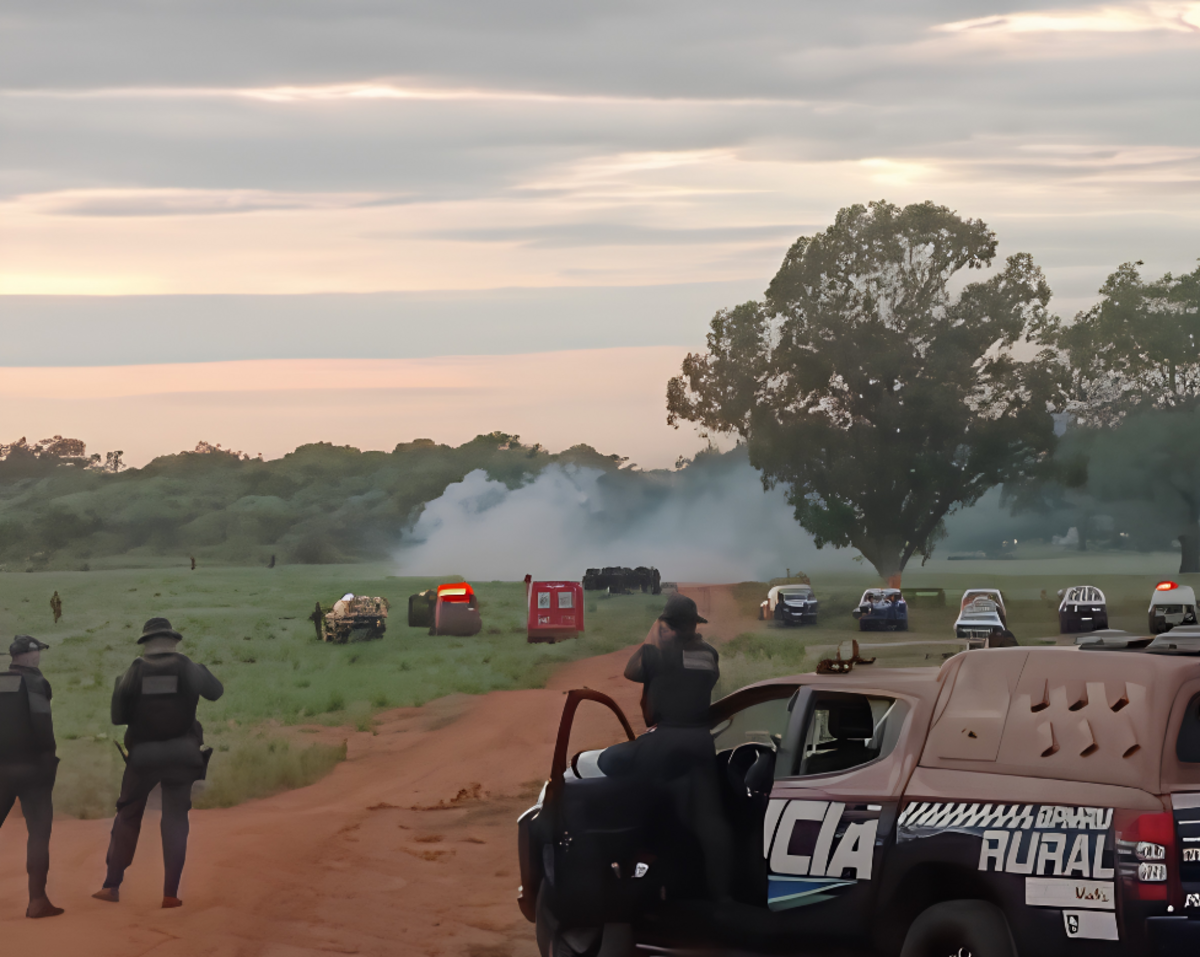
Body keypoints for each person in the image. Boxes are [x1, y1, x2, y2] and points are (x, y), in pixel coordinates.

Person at [598, 594, 733, 902]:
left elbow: (630, 671)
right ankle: (723, 898)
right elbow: (703, 679)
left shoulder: (657, 654)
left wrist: (655, 634)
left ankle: (629, 883)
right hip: (700, 740)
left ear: (667, 625)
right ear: (694, 624)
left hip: (665, 738)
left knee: (611, 763)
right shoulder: (709, 655)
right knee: (711, 822)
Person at [93, 618, 223, 908]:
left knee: (127, 816)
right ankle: (170, 894)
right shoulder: (188, 667)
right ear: (174, 641)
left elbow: (118, 717)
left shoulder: (133, 672)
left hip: (143, 758)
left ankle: (111, 886)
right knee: (175, 820)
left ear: (145, 644)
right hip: (182, 754)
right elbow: (216, 692)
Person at [0, 636, 64, 918]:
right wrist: (49, 761)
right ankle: (37, 901)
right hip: (32, 769)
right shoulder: (36, 682)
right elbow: (42, 724)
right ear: (30, 655)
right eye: (38, 652)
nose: (39, 657)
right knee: (38, 833)